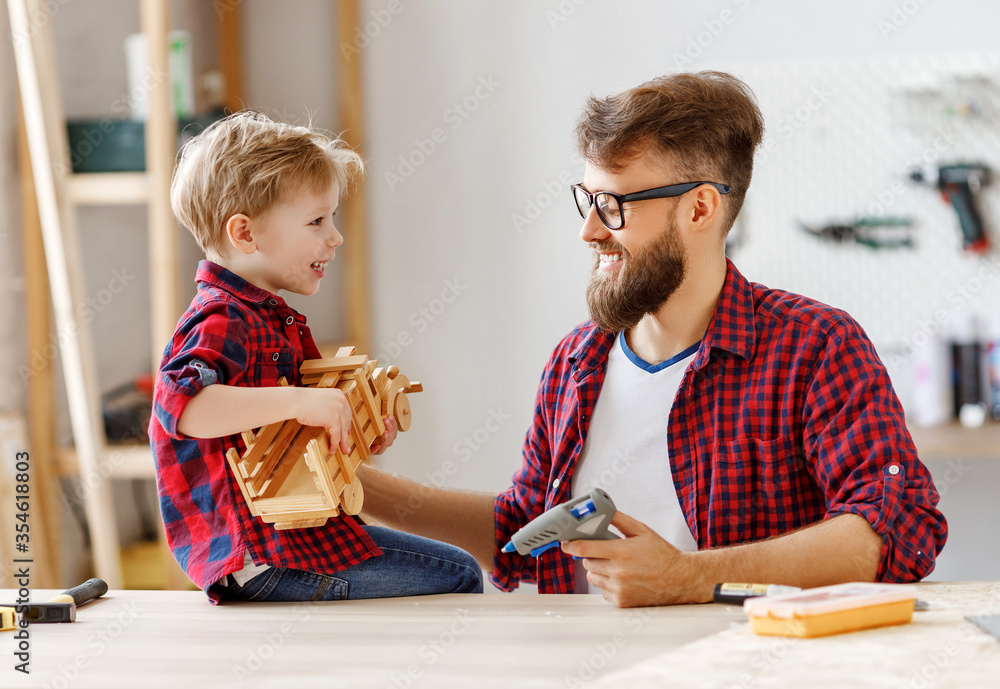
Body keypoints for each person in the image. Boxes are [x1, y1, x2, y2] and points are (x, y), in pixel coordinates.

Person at [357, 72, 948, 607]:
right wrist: (354, 485)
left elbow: (895, 528)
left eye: (613, 207)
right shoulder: (576, 361)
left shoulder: (815, 346)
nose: (589, 231)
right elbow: (527, 534)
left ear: (699, 209)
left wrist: (689, 577)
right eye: (587, 201)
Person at [149, 112, 483, 603]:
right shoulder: (221, 318)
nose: (335, 237)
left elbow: (292, 440)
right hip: (260, 555)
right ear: (245, 234)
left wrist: (355, 431)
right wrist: (299, 402)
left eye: (333, 218)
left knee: (453, 570)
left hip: (294, 540)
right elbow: (182, 408)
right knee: (459, 576)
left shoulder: (270, 317)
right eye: (316, 221)